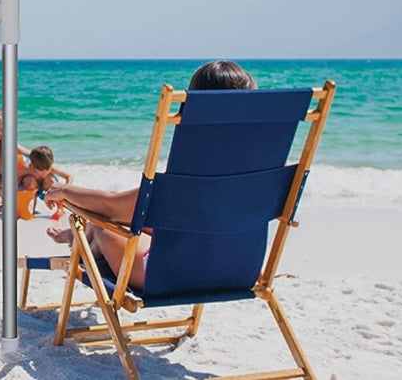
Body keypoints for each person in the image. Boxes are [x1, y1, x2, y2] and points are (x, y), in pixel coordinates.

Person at [45, 60, 256, 291]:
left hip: (171, 276)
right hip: (237, 271)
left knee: (103, 226)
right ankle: (78, 239)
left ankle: (82, 244)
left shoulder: (191, 173)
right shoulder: (259, 171)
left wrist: (65, 191)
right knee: (149, 218)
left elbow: (109, 206)